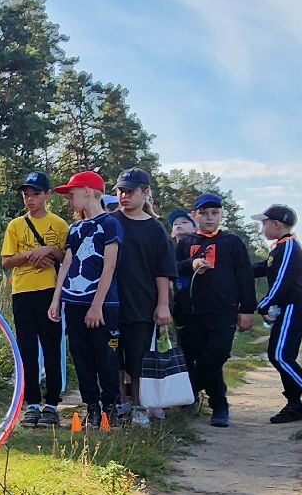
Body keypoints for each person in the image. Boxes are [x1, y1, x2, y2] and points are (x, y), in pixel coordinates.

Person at [172, 193, 254, 428]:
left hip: (223, 309)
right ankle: (219, 406)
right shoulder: (185, 243)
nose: (209, 217)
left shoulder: (232, 242)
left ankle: (189, 389)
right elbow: (172, 269)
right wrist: (191, 264)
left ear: (221, 215)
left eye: (214, 213)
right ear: (195, 215)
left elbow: (245, 276)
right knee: (197, 356)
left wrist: (247, 308)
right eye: (204, 213)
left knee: (219, 352)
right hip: (190, 311)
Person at [48, 171, 123, 429]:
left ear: (88, 192)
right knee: (81, 357)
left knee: (106, 357)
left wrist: (97, 305)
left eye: (72, 194)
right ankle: (92, 406)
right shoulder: (75, 228)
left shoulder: (110, 224)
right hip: (74, 303)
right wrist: (56, 299)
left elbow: (109, 267)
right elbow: (67, 263)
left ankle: (111, 407)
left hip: (102, 305)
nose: (69, 200)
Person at [1, 172, 69, 428]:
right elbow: (6, 261)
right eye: (26, 195)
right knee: (27, 349)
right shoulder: (15, 225)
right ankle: (31, 403)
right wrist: (32, 254)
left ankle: (52, 404)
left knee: (51, 347)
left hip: (50, 292)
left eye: (36, 194)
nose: (30, 199)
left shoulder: (59, 225)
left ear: (47, 195)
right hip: (22, 292)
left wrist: (49, 250)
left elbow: (67, 258)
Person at [111, 169, 177, 426]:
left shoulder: (155, 229)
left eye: (130, 191)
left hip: (142, 304)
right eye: (120, 191)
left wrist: (163, 304)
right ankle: (118, 405)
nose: (124, 196)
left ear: (145, 192)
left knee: (138, 359)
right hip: (111, 303)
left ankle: (139, 405)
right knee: (113, 358)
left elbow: (163, 271)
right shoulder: (111, 222)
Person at [255, 204, 302, 423]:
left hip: (293, 306)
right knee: (281, 356)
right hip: (288, 308)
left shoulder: (289, 248)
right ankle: (294, 403)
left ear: (276, 224)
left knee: (280, 356)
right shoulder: (280, 248)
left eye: (264, 224)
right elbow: (265, 267)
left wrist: (264, 305)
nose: (262, 228)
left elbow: (281, 282)